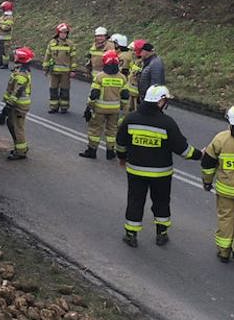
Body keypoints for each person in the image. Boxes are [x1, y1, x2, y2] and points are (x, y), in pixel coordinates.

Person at [115, 85, 202, 247]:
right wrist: (200, 155)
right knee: (161, 202)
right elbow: (184, 150)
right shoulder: (167, 123)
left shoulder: (130, 118)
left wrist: (121, 158)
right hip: (161, 174)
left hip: (135, 171)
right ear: (160, 101)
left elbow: (120, 143)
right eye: (166, 100)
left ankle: (130, 234)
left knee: (135, 201)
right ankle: (161, 234)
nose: (166, 103)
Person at [80, 50, 129, 160]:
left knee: (95, 130)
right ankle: (110, 152)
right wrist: (122, 108)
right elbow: (125, 96)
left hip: (99, 109)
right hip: (115, 110)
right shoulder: (122, 78)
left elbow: (93, 95)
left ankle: (92, 151)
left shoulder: (99, 77)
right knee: (112, 131)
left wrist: (89, 107)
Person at [201, 106, 234, 263]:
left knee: (226, 219)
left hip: (225, 191)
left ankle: (224, 252)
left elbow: (207, 164)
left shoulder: (220, 139)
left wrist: (207, 183)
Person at [3, 47, 34, 160]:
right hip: (17, 105)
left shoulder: (21, 75)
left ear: (21, 58)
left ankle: (20, 152)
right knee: (11, 124)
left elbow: (17, 91)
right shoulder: (20, 70)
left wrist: (8, 105)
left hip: (19, 106)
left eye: (16, 55)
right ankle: (20, 148)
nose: (14, 56)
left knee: (17, 128)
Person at [43, 23, 77, 113]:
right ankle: (53, 107)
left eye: (65, 33)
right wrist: (45, 68)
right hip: (53, 72)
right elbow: (47, 56)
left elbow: (73, 58)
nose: (64, 34)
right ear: (58, 33)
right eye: (62, 32)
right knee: (53, 89)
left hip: (65, 73)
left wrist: (73, 70)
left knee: (65, 90)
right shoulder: (52, 43)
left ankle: (64, 107)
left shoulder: (70, 44)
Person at [0, 1, 15, 69]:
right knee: (0, 51)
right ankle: (0, 62)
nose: (1, 10)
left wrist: (0, 24)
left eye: (2, 8)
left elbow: (6, 27)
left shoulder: (9, 17)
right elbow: (0, 23)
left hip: (6, 39)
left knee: (5, 53)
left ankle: (5, 64)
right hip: (0, 37)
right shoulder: (3, 16)